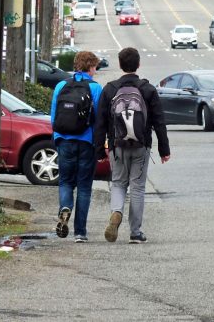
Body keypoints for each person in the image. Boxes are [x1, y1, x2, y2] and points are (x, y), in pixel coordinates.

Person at [95, 47, 170, 244]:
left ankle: (116, 212)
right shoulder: (148, 89)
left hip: (117, 146)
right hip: (141, 145)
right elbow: (159, 122)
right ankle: (135, 232)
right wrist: (164, 150)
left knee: (118, 183)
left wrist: (99, 150)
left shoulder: (110, 89)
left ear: (120, 65)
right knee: (137, 187)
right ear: (138, 65)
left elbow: (100, 122)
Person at [50, 51, 103, 243]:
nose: (95, 70)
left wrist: (57, 138)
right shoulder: (96, 88)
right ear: (90, 67)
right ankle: (80, 232)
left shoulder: (61, 86)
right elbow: (99, 119)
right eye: (95, 67)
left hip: (65, 140)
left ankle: (65, 207)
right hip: (86, 142)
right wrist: (100, 144)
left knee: (65, 182)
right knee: (84, 187)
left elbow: (54, 115)